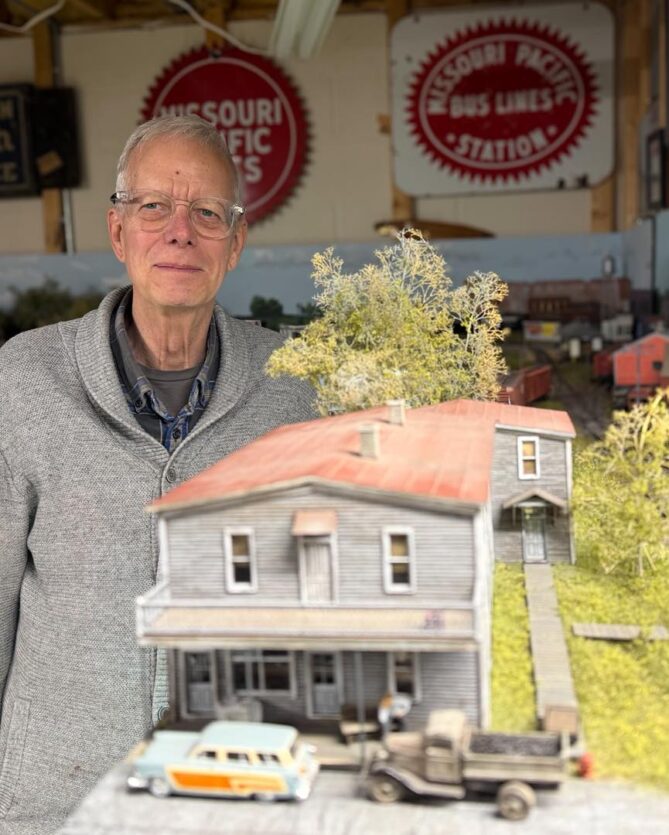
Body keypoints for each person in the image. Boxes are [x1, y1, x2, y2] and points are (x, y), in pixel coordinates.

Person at [0, 115, 316, 834]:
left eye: (207, 213)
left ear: (235, 243)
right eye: (154, 207)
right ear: (118, 232)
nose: (180, 232)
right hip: (54, 801)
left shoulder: (292, 391)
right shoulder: (22, 380)